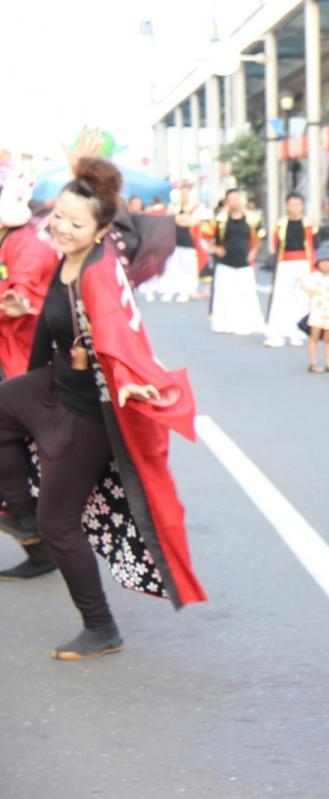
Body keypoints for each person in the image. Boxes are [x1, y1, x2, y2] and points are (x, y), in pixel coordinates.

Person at [0, 157, 205, 658]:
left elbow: (116, 332)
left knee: (61, 523)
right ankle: (23, 521)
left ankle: (100, 626)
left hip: (89, 408)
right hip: (53, 383)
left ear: (99, 231)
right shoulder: (63, 251)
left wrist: (134, 382)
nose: (63, 227)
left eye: (76, 222)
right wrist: (85, 172)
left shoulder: (98, 273)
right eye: (59, 217)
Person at [0, 166, 61, 581]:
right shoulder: (12, 240)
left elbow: (20, 296)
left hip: (22, 360)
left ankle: (26, 521)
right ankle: (38, 548)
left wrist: (18, 299)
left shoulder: (27, 246)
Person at [207, 188, 266, 336]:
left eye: (237, 198)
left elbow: (260, 237)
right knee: (225, 295)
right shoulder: (220, 220)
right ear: (227, 201)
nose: (235, 202)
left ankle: (248, 323)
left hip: (244, 262)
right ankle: (225, 323)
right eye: (232, 199)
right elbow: (205, 234)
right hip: (225, 262)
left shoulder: (251, 218)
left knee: (247, 294)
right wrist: (216, 248)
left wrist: (253, 252)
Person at [264, 192, 317, 348]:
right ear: (287, 206)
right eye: (292, 204)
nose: (295, 208)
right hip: (285, 262)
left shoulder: (309, 224)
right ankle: (277, 332)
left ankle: (299, 331)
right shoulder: (281, 224)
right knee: (281, 298)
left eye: (298, 204)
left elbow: (315, 244)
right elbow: (276, 245)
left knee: (302, 298)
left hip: (304, 263)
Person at [302, 247, 329, 373]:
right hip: (317, 311)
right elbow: (305, 286)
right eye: (323, 262)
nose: (326, 264)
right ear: (318, 263)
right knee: (314, 337)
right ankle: (313, 363)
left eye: (328, 261)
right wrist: (311, 291)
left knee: (328, 338)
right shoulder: (314, 276)